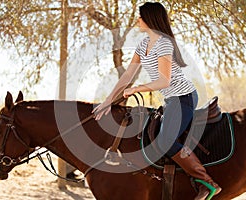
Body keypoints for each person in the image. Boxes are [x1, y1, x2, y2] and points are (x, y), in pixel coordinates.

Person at [92, 2, 221, 199]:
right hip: (170, 100)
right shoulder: (143, 44)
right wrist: (107, 101)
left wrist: (136, 89)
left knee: (165, 142)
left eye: (140, 17)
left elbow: (164, 80)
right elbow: (127, 76)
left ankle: (207, 183)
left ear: (149, 19)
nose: (137, 20)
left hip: (183, 97)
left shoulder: (164, 43)